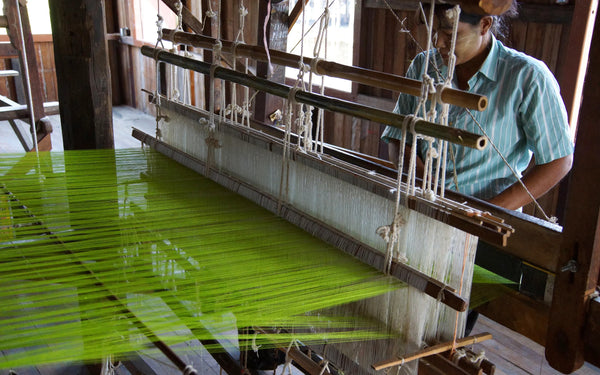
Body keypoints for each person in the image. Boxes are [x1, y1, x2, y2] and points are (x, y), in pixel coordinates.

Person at [381, 3, 573, 211]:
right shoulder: (424, 66)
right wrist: (427, 191)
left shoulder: (528, 77)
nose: (438, 43)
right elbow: (399, 138)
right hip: (428, 210)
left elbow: (559, 160)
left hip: (489, 224)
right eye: (434, 32)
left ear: (484, 25)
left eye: (449, 34)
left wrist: (486, 211)